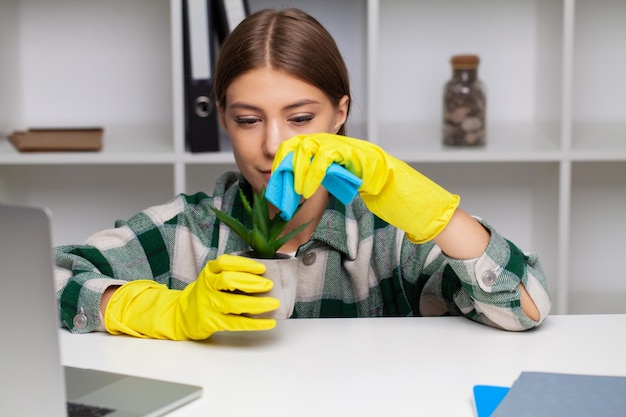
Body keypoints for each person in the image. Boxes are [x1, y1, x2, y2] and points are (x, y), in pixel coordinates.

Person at [54, 8, 551, 341]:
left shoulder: (389, 236)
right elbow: (39, 282)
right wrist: (170, 312)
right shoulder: (191, 230)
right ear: (223, 118)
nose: (274, 146)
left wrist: (428, 208)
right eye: (249, 120)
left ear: (340, 114)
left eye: (300, 118)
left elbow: (525, 307)